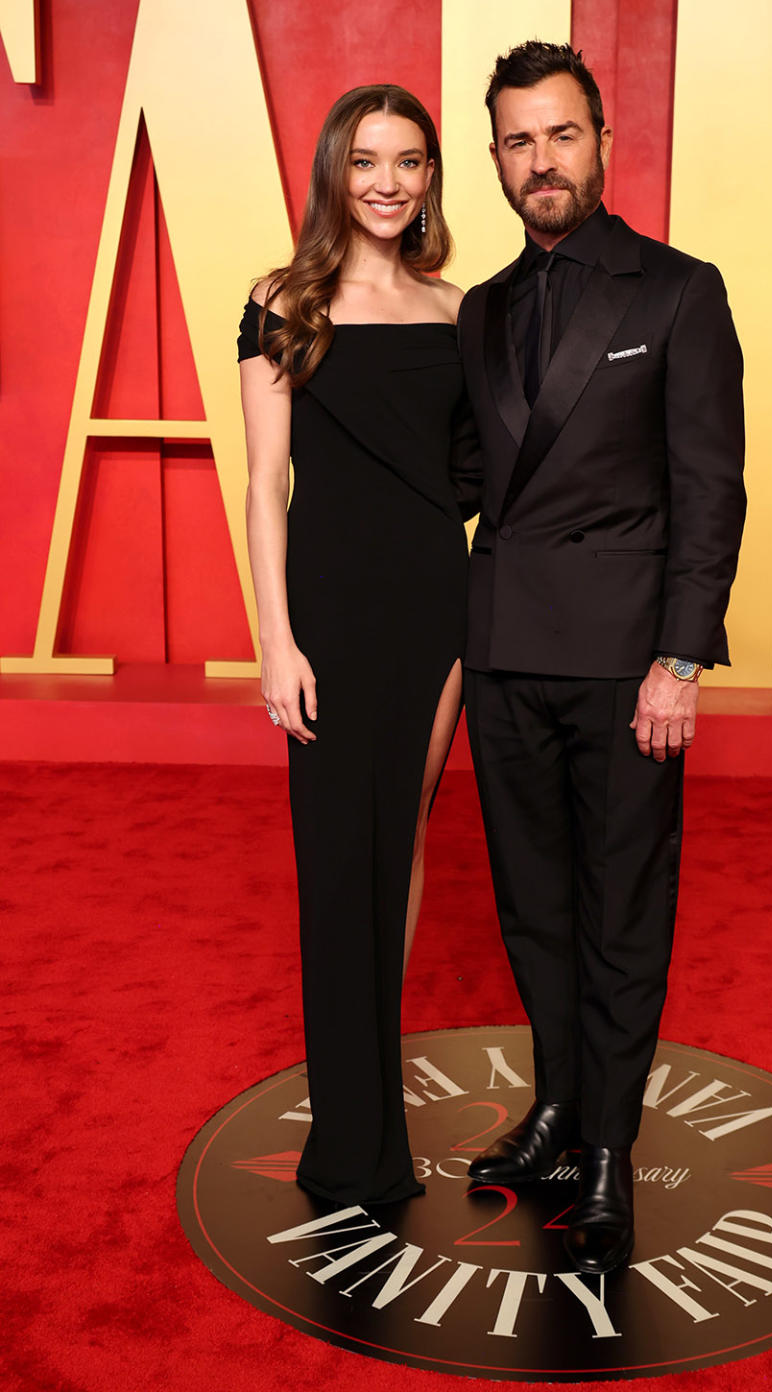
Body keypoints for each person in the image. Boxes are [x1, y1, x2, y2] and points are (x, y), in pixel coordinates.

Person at [458, 42, 746, 1275]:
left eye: (560, 135)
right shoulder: (481, 309)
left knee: (622, 910)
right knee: (534, 908)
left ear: (603, 141)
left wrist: (681, 658)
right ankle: (562, 1109)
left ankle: (613, 1151)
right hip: (506, 653)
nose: (542, 162)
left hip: (630, 668)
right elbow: (464, 482)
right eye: (519, 142)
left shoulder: (678, 290)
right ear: (496, 162)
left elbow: (709, 487)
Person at [237, 85, 479, 1206]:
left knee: (402, 845)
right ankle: (351, 1139)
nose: (388, 181)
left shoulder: (458, 310)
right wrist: (275, 643)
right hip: (326, 612)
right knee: (338, 864)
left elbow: (478, 478)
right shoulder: (283, 300)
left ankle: (377, 1103)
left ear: (432, 176)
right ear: (335, 170)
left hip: (438, 606)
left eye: (411, 161)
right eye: (367, 159)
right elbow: (262, 485)